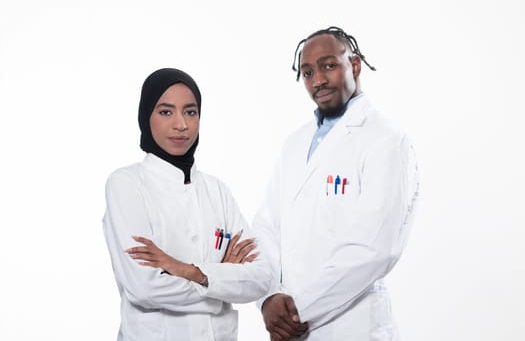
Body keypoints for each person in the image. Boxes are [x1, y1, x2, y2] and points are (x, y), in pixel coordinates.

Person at [253, 26, 420, 340]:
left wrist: (296, 311)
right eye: (307, 72)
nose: (318, 80)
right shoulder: (294, 143)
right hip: (289, 325)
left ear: (354, 65)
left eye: (328, 66)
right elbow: (265, 226)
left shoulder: (385, 140)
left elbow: (375, 249)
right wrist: (268, 297)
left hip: (352, 326)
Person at [102, 68, 272, 341]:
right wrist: (219, 285)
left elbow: (260, 278)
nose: (181, 124)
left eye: (191, 112)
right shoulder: (126, 184)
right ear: (146, 117)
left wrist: (188, 271)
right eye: (166, 112)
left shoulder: (217, 190)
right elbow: (144, 288)